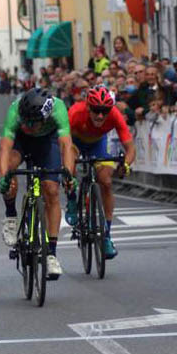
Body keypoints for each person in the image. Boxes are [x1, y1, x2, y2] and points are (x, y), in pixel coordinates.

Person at [0, 89, 75, 278]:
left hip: (47, 143)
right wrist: (4, 178)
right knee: (10, 167)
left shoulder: (58, 109)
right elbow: (5, 148)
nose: (29, 125)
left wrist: (68, 174)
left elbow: (66, 145)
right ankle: (11, 217)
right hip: (21, 143)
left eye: (33, 122)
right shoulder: (15, 111)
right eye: (26, 121)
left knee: (51, 190)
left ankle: (51, 255)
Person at [65, 87, 136, 258]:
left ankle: (106, 236)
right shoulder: (75, 112)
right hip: (74, 142)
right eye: (96, 111)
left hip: (97, 144)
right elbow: (63, 143)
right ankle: (72, 201)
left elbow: (130, 148)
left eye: (104, 111)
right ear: (88, 107)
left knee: (106, 182)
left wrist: (125, 165)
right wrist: (67, 171)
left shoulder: (114, 115)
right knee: (69, 168)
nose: (100, 116)